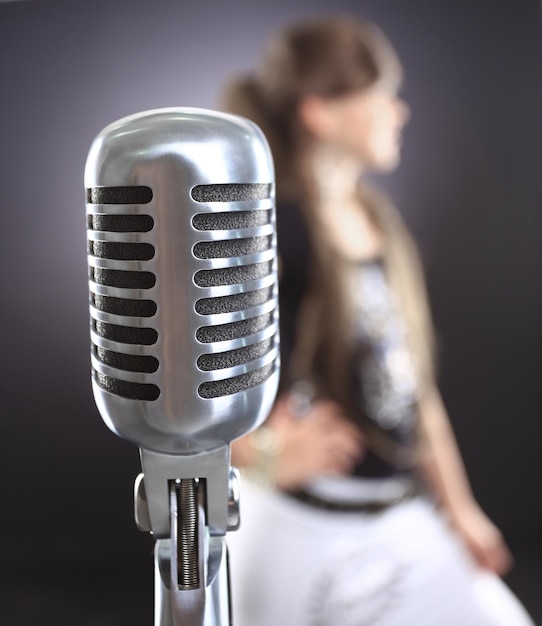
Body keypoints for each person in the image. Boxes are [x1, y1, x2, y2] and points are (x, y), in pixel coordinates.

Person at [220, 14, 534, 626]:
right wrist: (256, 457)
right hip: (299, 523)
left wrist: (460, 507)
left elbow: (414, 385)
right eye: (383, 95)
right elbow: (191, 391)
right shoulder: (270, 232)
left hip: (397, 512)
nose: (401, 112)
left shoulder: (378, 220)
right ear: (323, 111)